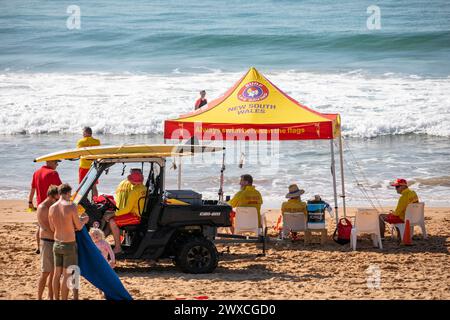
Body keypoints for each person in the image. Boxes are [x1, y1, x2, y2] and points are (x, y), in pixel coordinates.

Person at [48, 184, 89, 300]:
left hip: (57, 243)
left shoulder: (52, 207)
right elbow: (79, 226)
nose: (70, 197)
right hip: (68, 244)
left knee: (56, 274)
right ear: (66, 193)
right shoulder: (71, 206)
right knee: (67, 275)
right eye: (70, 194)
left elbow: (52, 228)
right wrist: (84, 221)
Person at [108, 169, 147, 254]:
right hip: (140, 214)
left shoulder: (134, 192)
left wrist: (114, 213)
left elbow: (127, 209)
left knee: (112, 221)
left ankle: (118, 248)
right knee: (114, 218)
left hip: (136, 217)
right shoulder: (144, 188)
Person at [29, 160, 62, 254]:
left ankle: (38, 247)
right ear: (50, 162)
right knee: (52, 225)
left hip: (40, 204)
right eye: (56, 162)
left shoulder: (36, 172)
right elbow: (60, 189)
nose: (57, 164)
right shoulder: (53, 173)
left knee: (41, 225)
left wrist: (30, 201)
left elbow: (32, 189)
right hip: (51, 203)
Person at [36, 185, 60, 300]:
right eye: (57, 198)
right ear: (52, 196)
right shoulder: (43, 207)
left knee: (54, 273)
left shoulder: (53, 206)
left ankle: (51, 297)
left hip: (55, 241)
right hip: (47, 242)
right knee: (45, 272)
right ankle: (39, 297)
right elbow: (45, 228)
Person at [77, 126, 101, 197]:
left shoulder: (81, 142)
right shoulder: (97, 141)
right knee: (94, 186)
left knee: (82, 187)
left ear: (85, 133)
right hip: (94, 167)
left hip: (83, 166)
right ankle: (95, 201)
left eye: (83, 133)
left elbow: (78, 153)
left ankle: (83, 204)